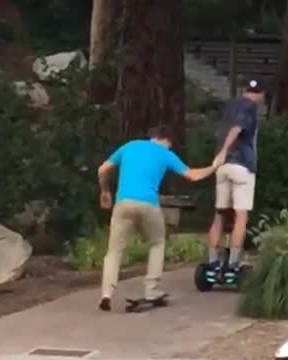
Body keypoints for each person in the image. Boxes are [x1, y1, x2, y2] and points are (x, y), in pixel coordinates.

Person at [97, 125, 221, 311]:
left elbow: (102, 169)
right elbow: (192, 175)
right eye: (170, 145)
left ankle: (106, 293)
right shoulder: (164, 153)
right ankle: (151, 289)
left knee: (114, 251)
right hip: (149, 205)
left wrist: (105, 191)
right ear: (166, 140)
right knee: (157, 242)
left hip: (123, 203)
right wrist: (214, 166)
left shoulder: (129, 146)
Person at [207, 79, 265, 277]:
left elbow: (225, 129)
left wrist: (220, 156)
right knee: (241, 215)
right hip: (241, 165)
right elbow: (237, 128)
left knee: (220, 213)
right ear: (260, 94)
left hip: (222, 168)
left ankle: (212, 261)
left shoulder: (231, 105)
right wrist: (225, 150)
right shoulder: (249, 107)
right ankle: (233, 263)